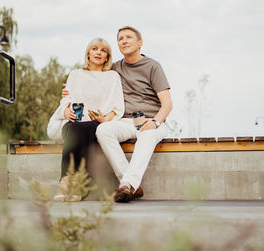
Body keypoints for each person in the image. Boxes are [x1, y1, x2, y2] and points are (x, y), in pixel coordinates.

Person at [63, 26, 172, 203]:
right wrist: (68, 92)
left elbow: (167, 104)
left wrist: (155, 122)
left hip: (151, 121)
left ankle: (127, 185)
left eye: (129, 37)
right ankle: (130, 185)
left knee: (145, 136)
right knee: (104, 129)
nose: (124, 41)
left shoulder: (153, 66)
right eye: (120, 39)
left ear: (140, 43)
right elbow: (91, 80)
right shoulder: (113, 70)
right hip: (125, 121)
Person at [48, 38, 124, 202]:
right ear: (88, 54)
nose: (98, 52)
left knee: (85, 128)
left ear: (107, 57)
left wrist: (105, 119)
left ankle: (76, 182)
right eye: (94, 49)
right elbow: (66, 100)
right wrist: (67, 110)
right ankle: (69, 180)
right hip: (74, 122)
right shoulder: (75, 74)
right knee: (73, 127)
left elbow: (117, 107)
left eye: (103, 51)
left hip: (97, 123)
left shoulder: (113, 77)